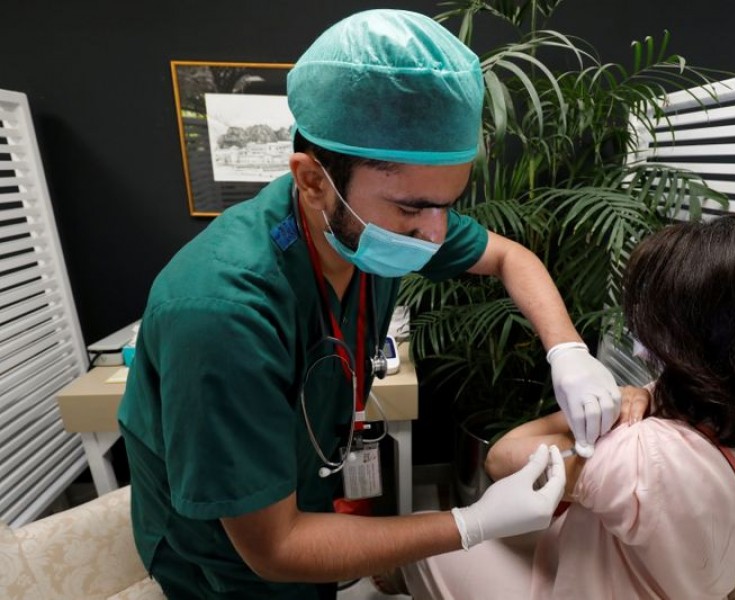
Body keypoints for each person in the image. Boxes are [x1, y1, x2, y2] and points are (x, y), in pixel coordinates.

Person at [117, 9, 621, 600]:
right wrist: (471, 524)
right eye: (411, 209)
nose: (435, 235)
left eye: (448, 203)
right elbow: (274, 548)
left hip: (302, 496)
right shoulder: (222, 313)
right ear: (311, 180)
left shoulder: (372, 231)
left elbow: (512, 258)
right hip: (223, 559)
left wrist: (568, 351)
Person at [398, 215, 735, 599]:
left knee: (421, 536)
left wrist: (599, 411)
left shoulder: (641, 459)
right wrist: (638, 396)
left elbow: (501, 455)